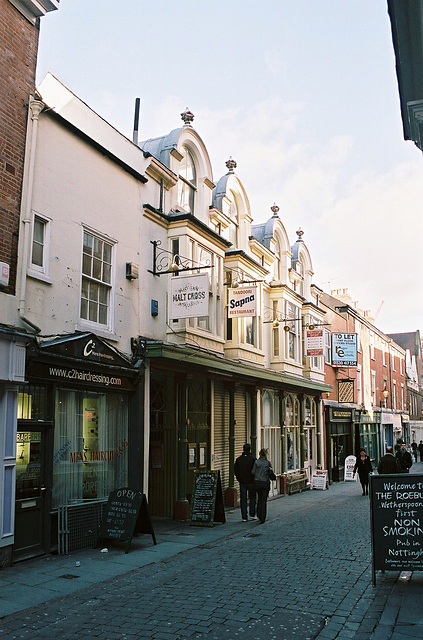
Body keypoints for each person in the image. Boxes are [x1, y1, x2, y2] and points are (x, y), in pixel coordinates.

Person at [251, 448, 274, 524]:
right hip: (265, 483)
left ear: (260, 454)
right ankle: (263, 517)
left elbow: (253, 472)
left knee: (259, 499)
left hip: (257, 482)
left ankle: (259, 514)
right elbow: (271, 472)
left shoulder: (256, 462)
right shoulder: (267, 463)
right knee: (264, 500)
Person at [234, 443, 256, 522]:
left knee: (243, 499)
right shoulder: (253, 459)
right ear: (250, 449)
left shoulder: (239, 459)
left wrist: (239, 478)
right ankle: (252, 514)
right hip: (251, 481)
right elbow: (255, 470)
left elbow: (235, 470)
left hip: (242, 482)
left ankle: (244, 516)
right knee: (252, 498)